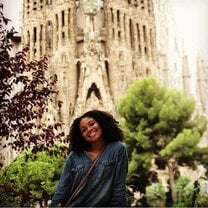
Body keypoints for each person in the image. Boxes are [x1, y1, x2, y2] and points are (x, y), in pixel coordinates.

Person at [49, 110, 128, 207]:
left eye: (91, 124)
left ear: (101, 123)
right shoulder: (74, 156)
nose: (89, 130)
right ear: (81, 135)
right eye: (83, 130)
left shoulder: (117, 149)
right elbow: (61, 189)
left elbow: (119, 189)